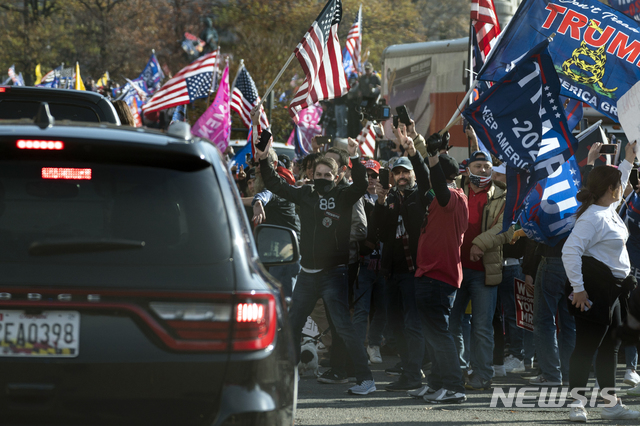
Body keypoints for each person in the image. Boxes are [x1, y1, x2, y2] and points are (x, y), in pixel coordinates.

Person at [256, 130, 376, 395]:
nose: (322, 179)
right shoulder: (305, 194)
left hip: (334, 274)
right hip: (307, 274)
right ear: (311, 175)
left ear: (336, 177)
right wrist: (264, 160)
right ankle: (287, 376)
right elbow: (275, 185)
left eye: (327, 176)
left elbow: (360, 185)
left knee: (343, 327)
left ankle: (366, 380)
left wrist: (355, 156)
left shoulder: (344, 196)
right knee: (291, 326)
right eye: (318, 175)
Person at [563, 141, 639, 422]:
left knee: (610, 349)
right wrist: (579, 290)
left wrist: (628, 161)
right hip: (594, 291)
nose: (622, 189)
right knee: (585, 347)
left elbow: (616, 196)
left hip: (614, 292)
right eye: (618, 185)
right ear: (610, 189)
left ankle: (610, 405)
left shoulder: (605, 207)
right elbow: (569, 251)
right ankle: (576, 405)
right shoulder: (592, 217)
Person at [396, 127, 469, 403]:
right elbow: (429, 180)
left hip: (439, 275)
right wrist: (415, 153)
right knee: (435, 335)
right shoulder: (440, 196)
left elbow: (435, 182)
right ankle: (438, 383)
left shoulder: (451, 198)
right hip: (430, 273)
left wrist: (435, 154)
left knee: (439, 335)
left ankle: (454, 387)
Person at [449, 150, 513, 391]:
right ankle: (455, 370)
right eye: (478, 166)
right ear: (468, 169)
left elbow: (506, 229)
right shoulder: (454, 191)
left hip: (484, 272)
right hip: (454, 270)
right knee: (452, 323)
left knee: (482, 327)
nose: (483, 171)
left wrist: (479, 243)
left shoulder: (502, 196)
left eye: (487, 167)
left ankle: (482, 374)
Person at [373, 132, 428, 392]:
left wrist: (414, 152)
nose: (401, 176)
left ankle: (415, 374)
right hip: (392, 271)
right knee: (395, 326)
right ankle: (408, 371)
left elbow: (416, 221)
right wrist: (382, 203)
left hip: (415, 271)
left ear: (413, 174)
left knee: (413, 325)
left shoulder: (420, 196)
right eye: (397, 173)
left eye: (405, 172)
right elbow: (380, 233)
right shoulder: (391, 198)